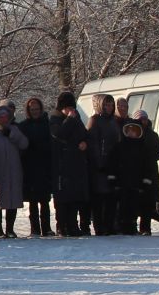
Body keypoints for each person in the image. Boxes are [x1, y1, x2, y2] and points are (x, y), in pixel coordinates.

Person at [0, 102, 29, 237]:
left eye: (5, 116)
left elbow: (24, 144)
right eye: (0, 116)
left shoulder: (14, 129)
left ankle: (10, 229)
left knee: (12, 201)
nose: (3, 119)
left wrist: (11, 134)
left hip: (13, 171)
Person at [50, 92, 91, 237]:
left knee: (74, 197)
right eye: (67, 108)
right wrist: (69, 120)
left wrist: (85, 142)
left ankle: (73, 225)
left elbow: (85, 134)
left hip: (76, 163)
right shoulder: (55, 119)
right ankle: (62, 225)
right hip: (61, 164)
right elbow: (59, 134)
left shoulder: (77, 119)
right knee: (62, 199)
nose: (70, 110)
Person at [86, 94, 121, 235]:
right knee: (99, 198)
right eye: (106, 104)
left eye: (111, 105)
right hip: (99, 166)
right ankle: (100, 227)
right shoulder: (95, 120)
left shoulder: (113, 121)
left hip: (113, 164)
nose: (109, 107)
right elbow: (93, 144)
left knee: (111, 198)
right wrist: (99, 163)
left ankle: (110, 225)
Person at [18, 97, 53, 237]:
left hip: (44, 166)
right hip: (30, 166)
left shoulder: (47, 124)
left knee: (44, 201)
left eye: (37, 109)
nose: (35, 112)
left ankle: (46, 228)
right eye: (32, 110)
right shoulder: (24, 126)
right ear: (28, 111)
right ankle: (35, 228)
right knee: (32, 201)